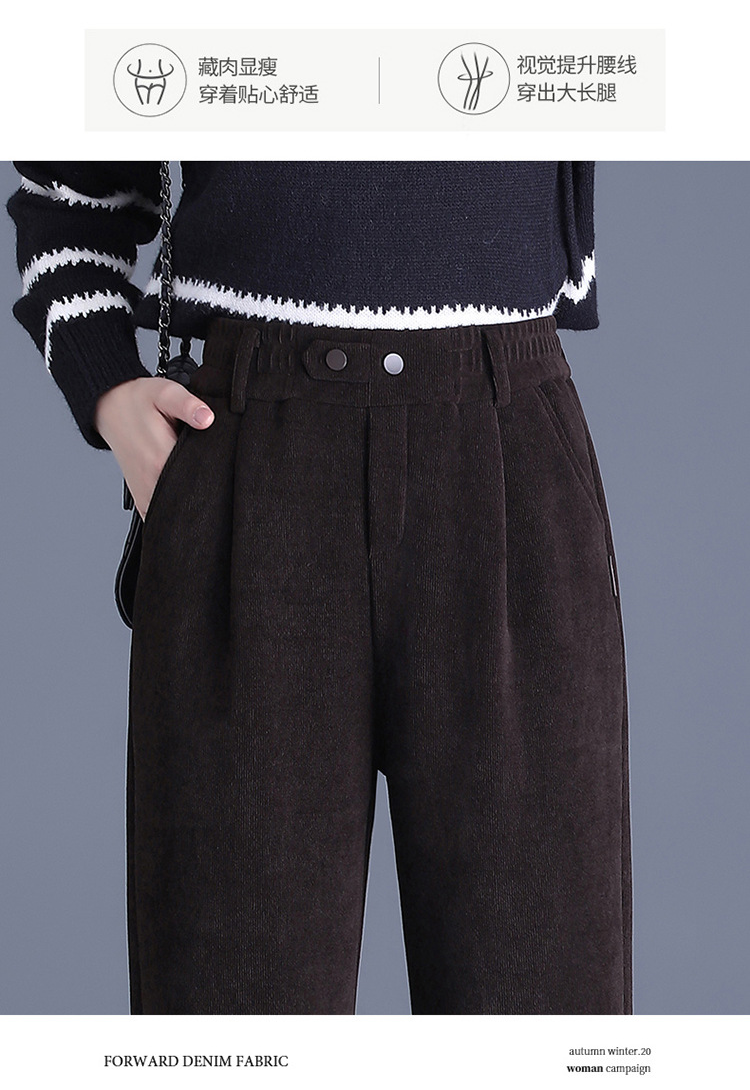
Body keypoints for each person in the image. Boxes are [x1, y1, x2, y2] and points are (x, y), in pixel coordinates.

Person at [8, 160, 631, 1016]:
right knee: (230, 1028)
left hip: (506, 446)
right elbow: (69, 196)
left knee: (544, 1017)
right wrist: (107, 387)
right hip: (251, 448)